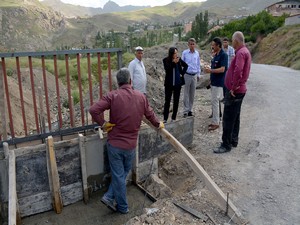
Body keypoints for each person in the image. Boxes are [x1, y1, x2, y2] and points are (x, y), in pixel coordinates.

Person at [89, 68, 164, 213]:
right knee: (122, 174)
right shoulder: (141, 97)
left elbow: (93, 110)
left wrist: (103, 124)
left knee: (119, 175)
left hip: (115, 146)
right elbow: (150, 114)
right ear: (130, 81)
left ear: (118, 82)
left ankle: (113, 199)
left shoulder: (112, 95)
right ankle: (117, 202)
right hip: (130, 146)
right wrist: (158, 124)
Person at [214, 31, 251, 154]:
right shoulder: (245, 51)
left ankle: (226, 144)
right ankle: (234, 140)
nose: (232, 43)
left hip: (236, 91)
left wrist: (233, 88)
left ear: (236, 40)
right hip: (240, 90)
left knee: (228, 118)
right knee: (236, 117)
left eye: (232, 40)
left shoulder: (240, 53)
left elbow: (238, 70)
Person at [204, 37, 228, 131]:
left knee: (215, 102)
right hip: (214, 82)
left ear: (218, 45)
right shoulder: (216, 55)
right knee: (215, 102)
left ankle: (216, 123)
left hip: (218, 83)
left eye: (213, 45)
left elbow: (222, 69)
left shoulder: (223, 55)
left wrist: (210, 70)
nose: (212, 46)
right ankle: (215, 120)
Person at [162, 47, 188, 123]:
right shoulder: (166, 60)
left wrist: (182, 73)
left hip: (177, 84)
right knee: (167, 101)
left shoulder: (179, 60)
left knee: (176, 101)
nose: (176, 54)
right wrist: (173, 63)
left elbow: (186, 65)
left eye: (176, 53)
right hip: (168, 84)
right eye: (174, 53)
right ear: (171, 54)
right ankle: (165, 118)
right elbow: (167, 69)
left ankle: (173, 118)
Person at [181, 38, 201, 117]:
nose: (192, 45)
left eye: (193, 44)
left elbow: (198, 64)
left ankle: (190, 110)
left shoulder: (197, 53)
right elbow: (181, 63)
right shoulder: (185, 53)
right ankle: (185, 111)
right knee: (186, 93)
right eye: (190, 44)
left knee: (192, 94)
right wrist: (182, 74)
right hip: (187, 75)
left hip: (194, 75)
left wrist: (198, 74)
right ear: (188, 45)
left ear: (195, 44)